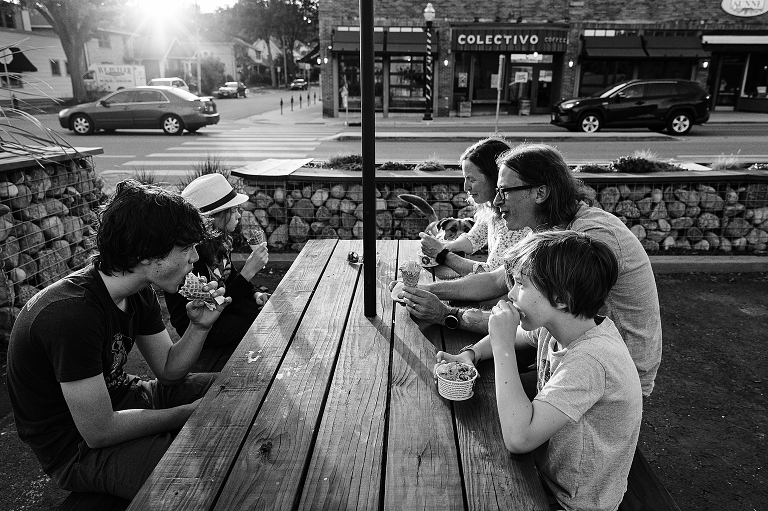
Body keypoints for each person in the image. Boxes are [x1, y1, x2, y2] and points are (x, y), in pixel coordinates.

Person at [6, 179, 231, 499]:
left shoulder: (138, 292)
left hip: (126, 397)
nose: (195, 258)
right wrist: (188, 413)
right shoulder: (71, 315)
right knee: (205, 472)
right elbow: (99, 431)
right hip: (78, 448)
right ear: (146, 255)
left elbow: (168, 371)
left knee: (237, 391)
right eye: (186, 248)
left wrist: (200, 327)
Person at [401, 143, 662, 396]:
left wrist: (449, 315)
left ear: (540, 193)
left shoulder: (584, 240)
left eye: (504, 191)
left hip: (614, 373)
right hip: (562, 349)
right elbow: (497, 280)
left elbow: (533, 320)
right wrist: (423, 290)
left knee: (488, 402)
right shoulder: (548, 228)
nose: (496, 201)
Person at [437, 230, 642, 511]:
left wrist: (502, 347)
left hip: (575, 501)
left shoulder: (592, 360)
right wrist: (470, 354)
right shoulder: (562, 325)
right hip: (547, 470)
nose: (509, 294)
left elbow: (519, 438)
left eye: (520, 284)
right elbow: (523, 336)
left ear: (560, 297)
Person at [165, 173, 270, 348]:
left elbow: (229, 276)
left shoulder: (220, 241)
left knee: (266, 310)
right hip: (199, 323)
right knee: (258, 327)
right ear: (214, 216)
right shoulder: (192, 253)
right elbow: (214, 304)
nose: (238, 216)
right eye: (234, 209)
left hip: (222, 308)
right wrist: (249, 272)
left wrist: (255, 294)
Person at [419, 137, 531, 278]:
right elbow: (474, 239)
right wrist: (443, 246)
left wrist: (442, 254)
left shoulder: (513, 220)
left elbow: (490, 276)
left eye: (472, 179)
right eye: (465, 178)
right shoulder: (490, 207)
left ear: (496, 178)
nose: (466, 187)